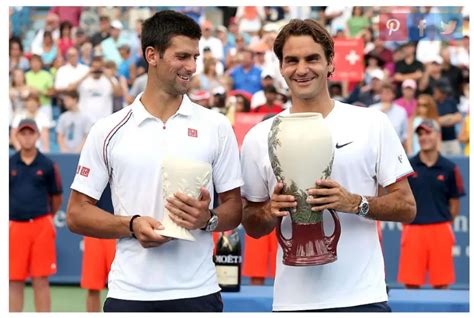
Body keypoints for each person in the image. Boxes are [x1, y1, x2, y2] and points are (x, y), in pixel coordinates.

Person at [66, 10, 243, 312]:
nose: (191, 67)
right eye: (182, 56)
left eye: (195, 57)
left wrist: (207, 219)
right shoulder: (107, 130)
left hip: (198, 293)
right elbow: (76, 214)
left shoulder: (216, 126)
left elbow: (235, 208)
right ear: (152, 55)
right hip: (129, 295)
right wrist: (132, 225)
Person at [240, 18, 416, 312]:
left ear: (331, 63)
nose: (302, 69)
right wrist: (270, 211)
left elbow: (407, 207)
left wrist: (354, 202)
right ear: (281, 67)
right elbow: (253, 225)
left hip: (363, 298)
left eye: (312, 59)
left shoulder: (371, 122)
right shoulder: (260, 136)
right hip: (292, 303)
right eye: (292, 60)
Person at [398, 119, 465, 289]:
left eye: (428, 132)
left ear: (438, 136)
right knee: (411, 285)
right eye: (420, 134)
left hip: (441, 229)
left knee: (442, 285)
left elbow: (455, 201)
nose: (423, 137)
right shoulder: (408, 166)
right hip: (413, 230)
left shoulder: (450, 168)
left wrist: (446, 222)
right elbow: (400, 197)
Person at [9, 119, 63, 312]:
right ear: (16, 136)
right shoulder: (9, 164)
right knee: (14, 279)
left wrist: (47, 217)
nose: (27, 137)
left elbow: (57, 197)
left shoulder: (48, 165)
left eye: (30, 133)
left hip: (41, 225)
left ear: (38, 135)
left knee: (41, 279)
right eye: (23, 133)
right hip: (15, 227)